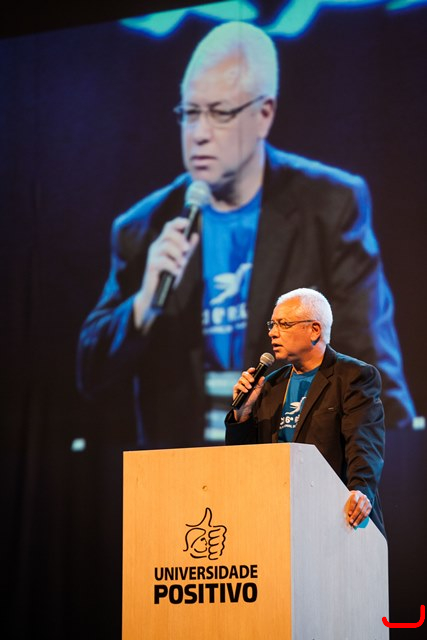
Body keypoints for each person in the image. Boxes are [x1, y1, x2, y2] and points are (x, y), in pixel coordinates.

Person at [77, 21, 415, 450]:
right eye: (190, 113)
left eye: (219, 113)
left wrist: (392, 462)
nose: (199, 133)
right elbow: (91, 374)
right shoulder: (143, 227)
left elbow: (370, 360)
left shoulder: (330, 205)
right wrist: (143, 304)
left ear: (264, 114)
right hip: (181, 462)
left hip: (289, 451)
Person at [226, 288, 385, 536]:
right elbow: (245, 461)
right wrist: (243, 413)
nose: (272, 332)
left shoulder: (353, 376)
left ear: (314, 330)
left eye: (283, 324)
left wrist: (360, 490)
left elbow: (363, 443)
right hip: (277, 515)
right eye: (272, 324)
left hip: (334, 515)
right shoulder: (270, 385)